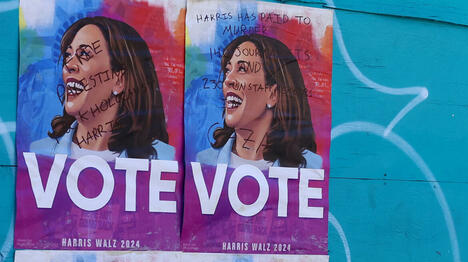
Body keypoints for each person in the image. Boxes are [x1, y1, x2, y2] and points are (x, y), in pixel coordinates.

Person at [29, 16, 175, 161]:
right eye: (68, 55)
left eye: (84, 54)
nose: (68, 65)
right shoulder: (39, 153)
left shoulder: (165, 158)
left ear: (119, 80)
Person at [195, 34, 321, 169]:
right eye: (228, 70)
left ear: (273, 94)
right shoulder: (204, 162)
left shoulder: (313, 166)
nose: (227, 80)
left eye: (242, 69)